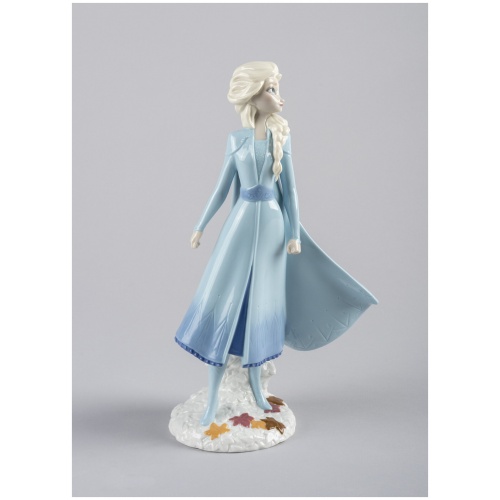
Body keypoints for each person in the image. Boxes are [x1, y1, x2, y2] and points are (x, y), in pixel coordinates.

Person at [175, 62, 378, 425]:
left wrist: (294, 233)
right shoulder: (235, 140)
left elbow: (291, 191)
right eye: (270, 89)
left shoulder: (281, 138)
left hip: (271, 227)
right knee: (224, 298)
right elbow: (221, 188)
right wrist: (200, 225)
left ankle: (256, 388)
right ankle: (213, 397)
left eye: (276, 89)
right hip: (239, 225)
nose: (278, 97)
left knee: (261, 304)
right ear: (252, 95)